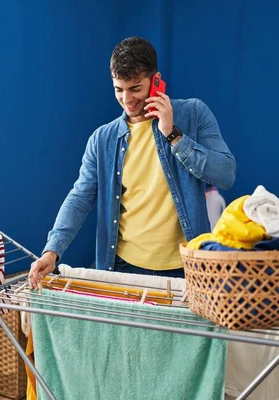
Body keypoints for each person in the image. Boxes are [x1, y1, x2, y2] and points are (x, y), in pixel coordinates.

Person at [29, 37, 236, 288]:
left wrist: (173, 134)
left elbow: (226, 174)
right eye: (119, 89)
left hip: (186, 268)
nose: (127, 99)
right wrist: (52, 251)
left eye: (135, 88)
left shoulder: (193, 114)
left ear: (156, 80)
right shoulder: (102, 139)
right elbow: (80, 197)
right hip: (123, 268)